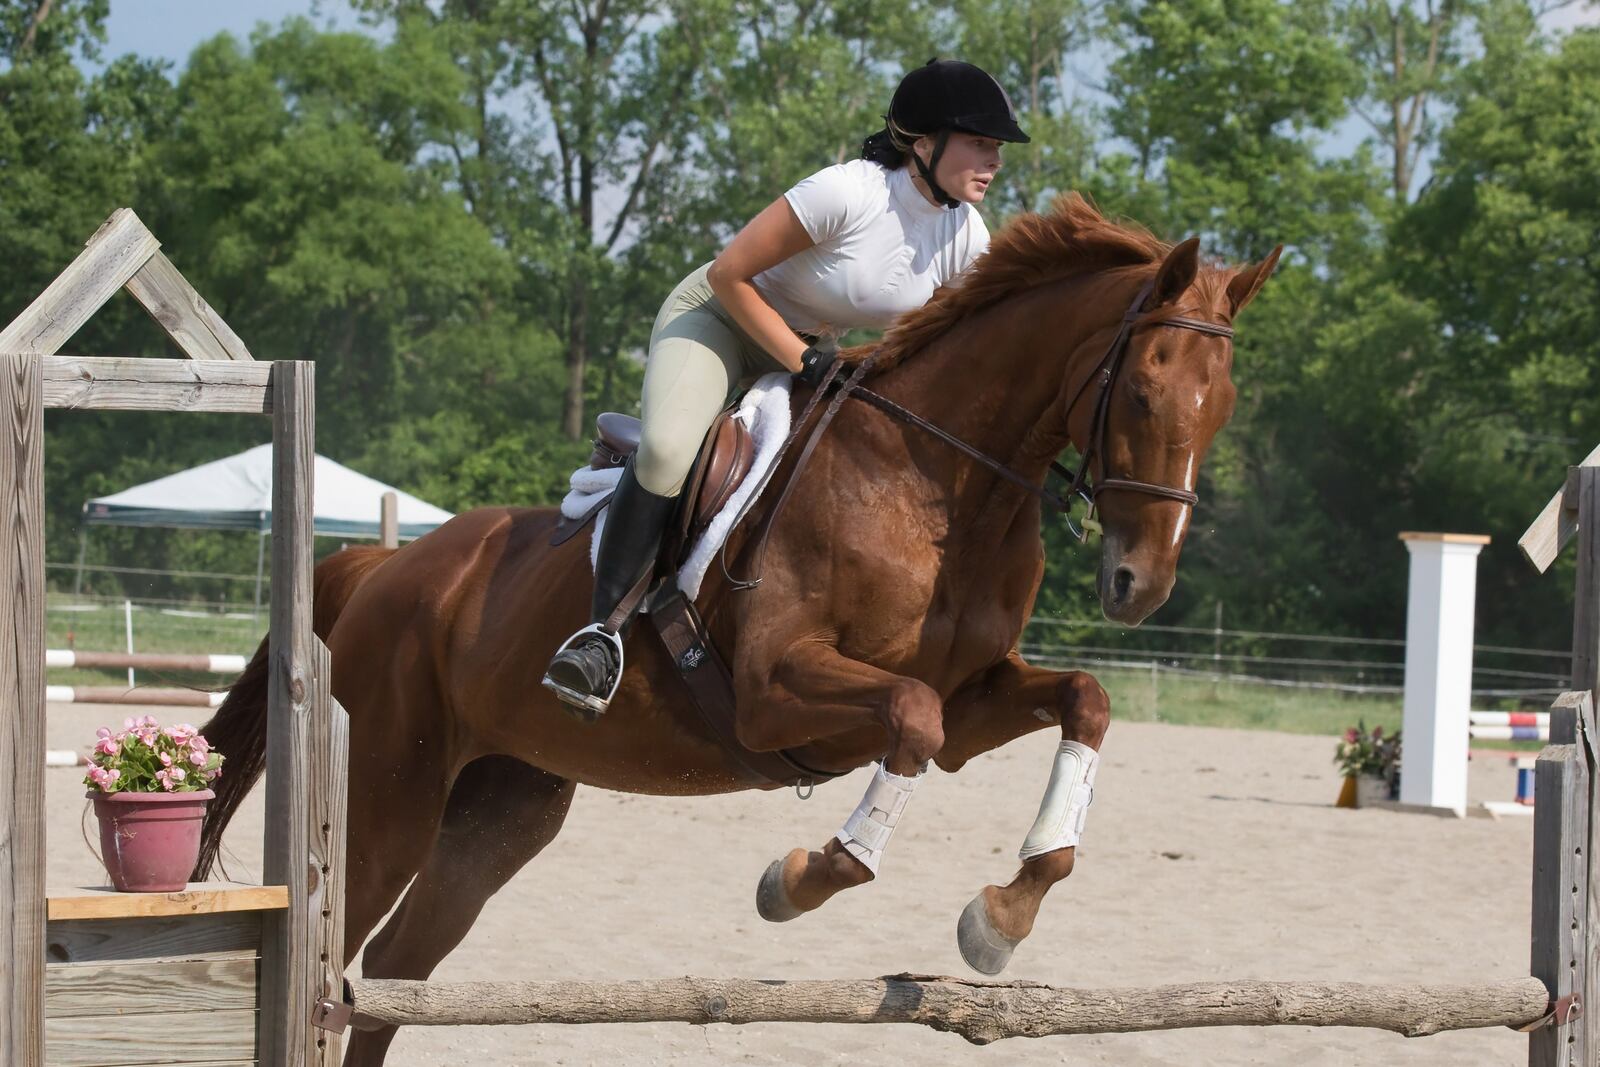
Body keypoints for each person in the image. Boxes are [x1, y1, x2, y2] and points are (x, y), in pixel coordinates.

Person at [542, 58, 1031, 720]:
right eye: (981, 143)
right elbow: (729, 274)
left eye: (997, 147)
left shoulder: (964, 233)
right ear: (923, 142)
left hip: (815, 351)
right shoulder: (847, 193)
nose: (994, 160)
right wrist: (800, 359)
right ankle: (598, 636)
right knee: (665, 452)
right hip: (720, 320)